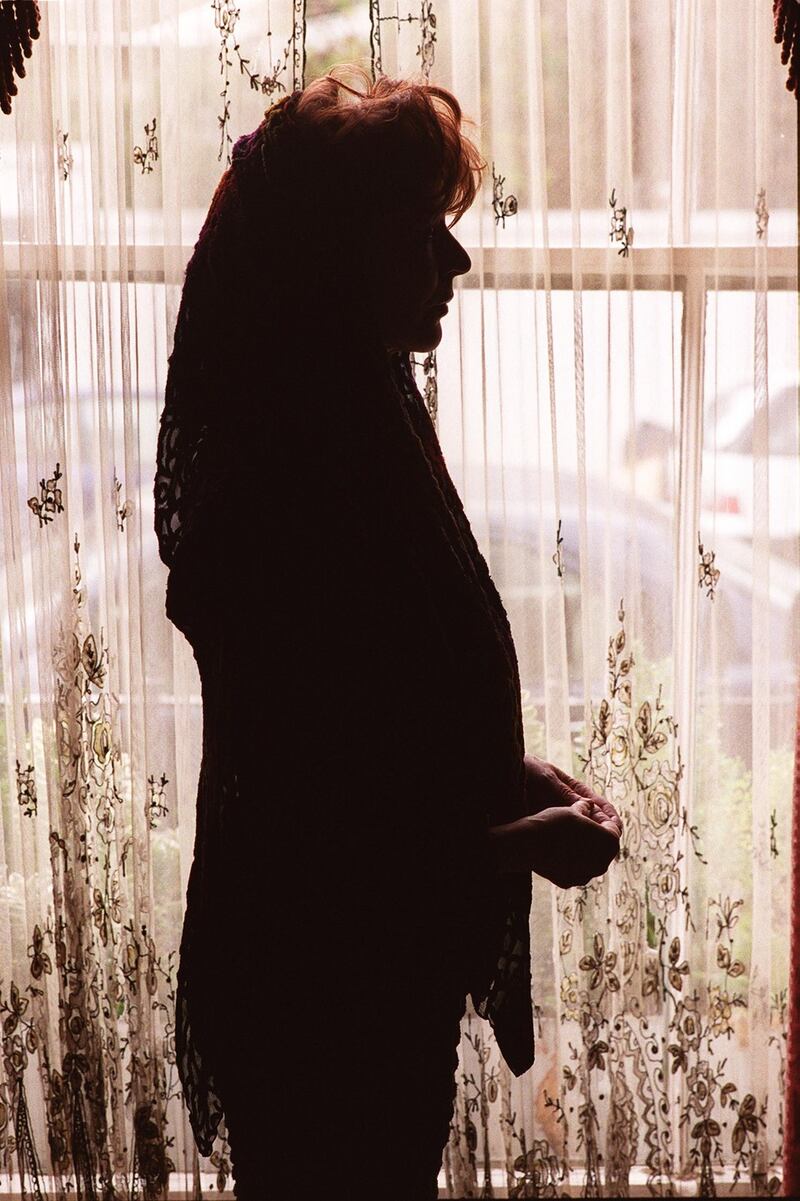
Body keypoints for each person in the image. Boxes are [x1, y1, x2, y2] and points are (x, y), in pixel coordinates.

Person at [154, 65, 621, 1201]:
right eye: (421, 234)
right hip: (320, 1010)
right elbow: (319, 833)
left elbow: (369, 736)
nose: (453, 264)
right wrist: (519, 837)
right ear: (329, 261)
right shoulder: (293, 484)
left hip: (360, 999)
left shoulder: (360, 429)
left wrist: (501, 774)